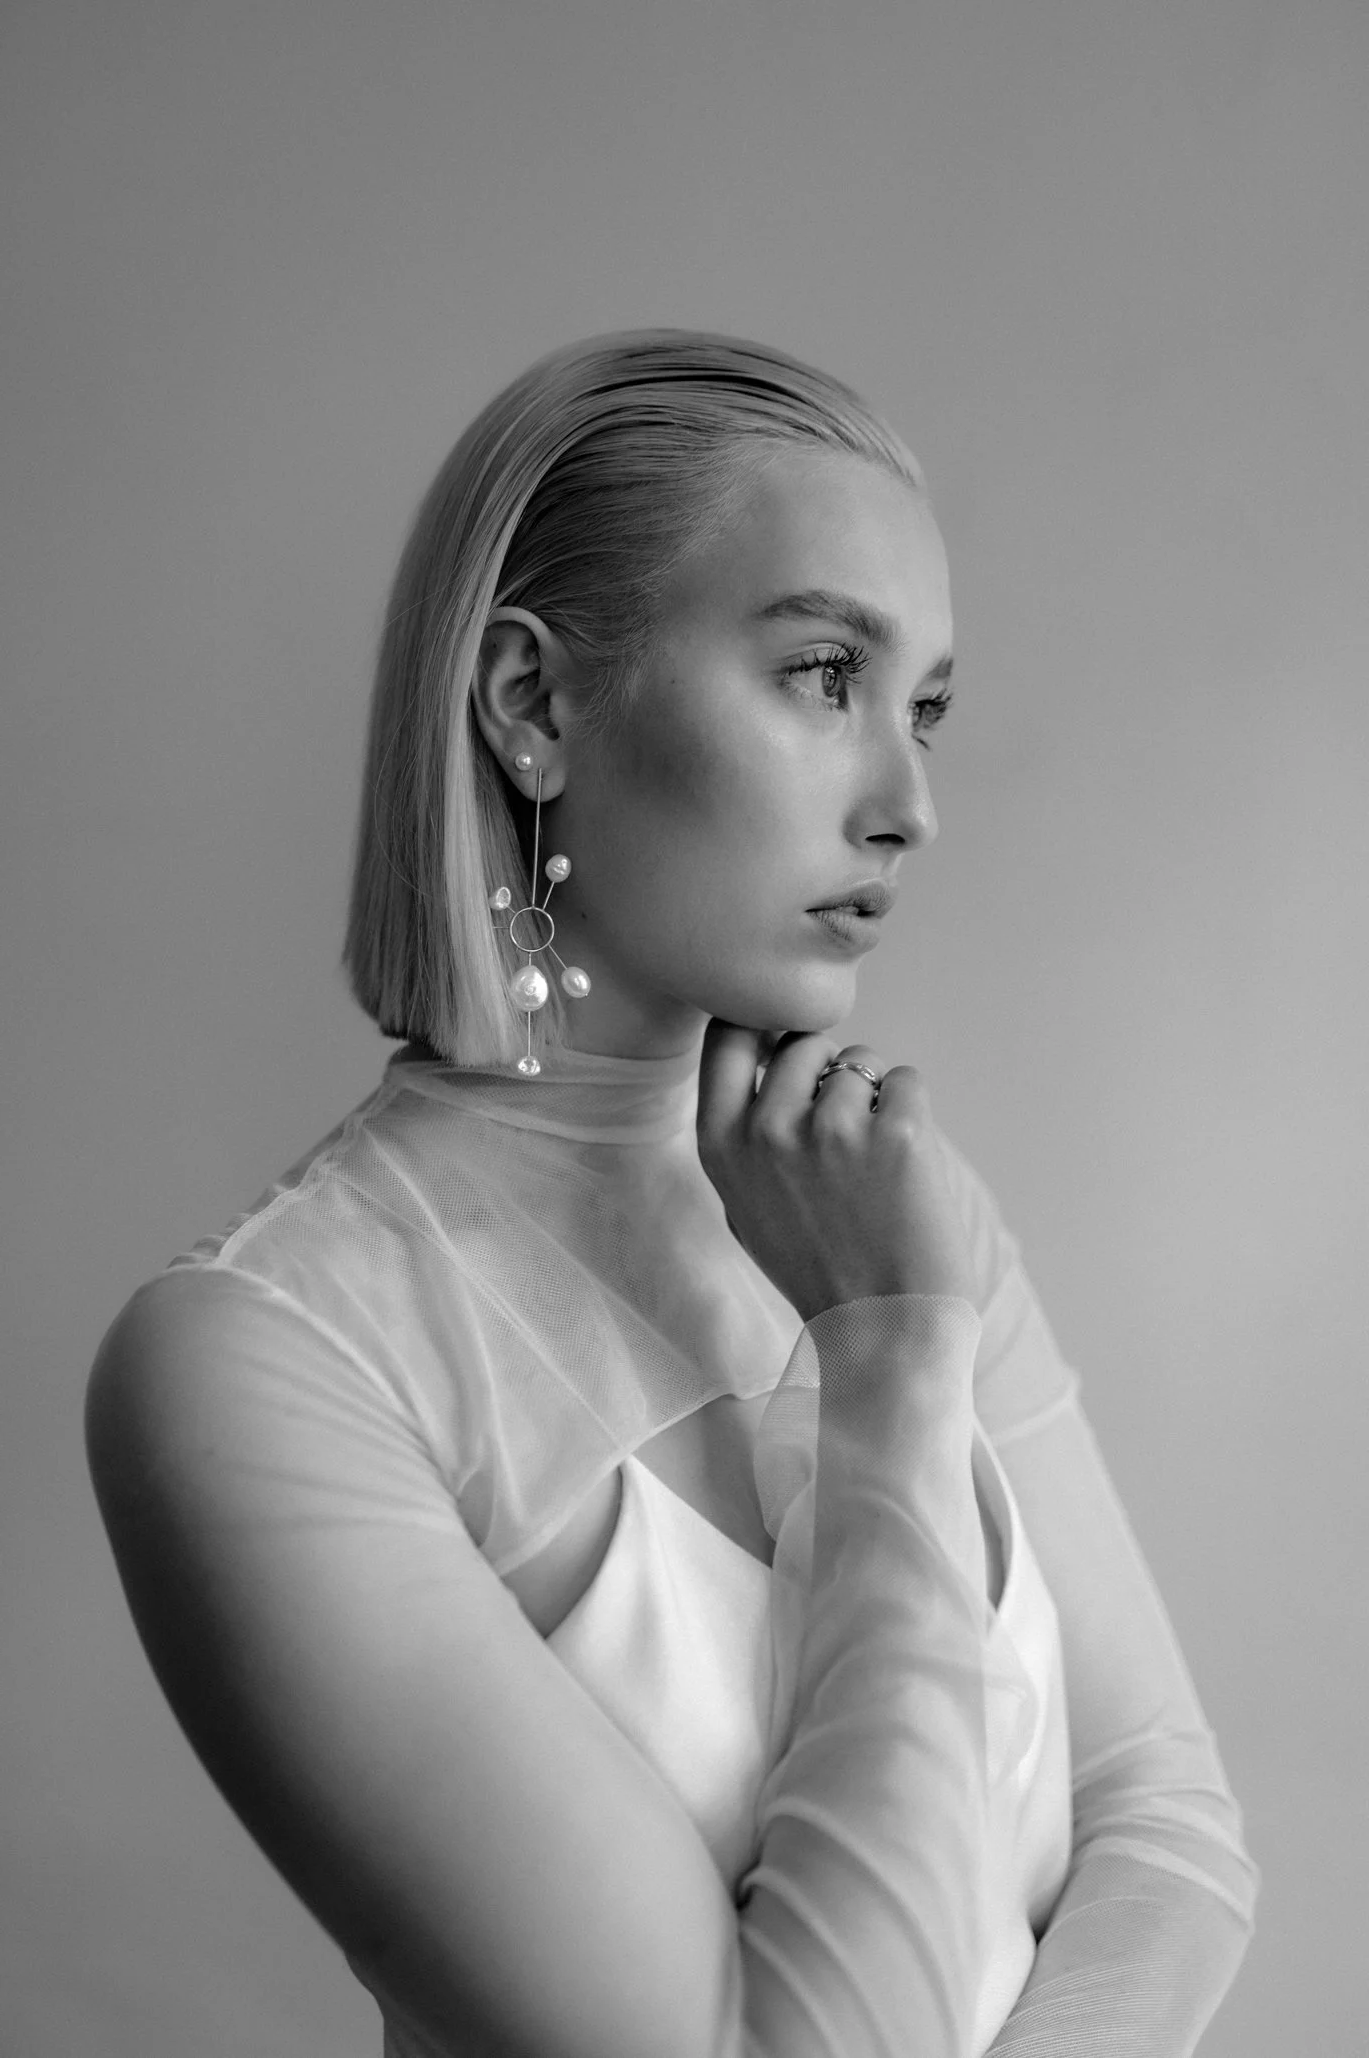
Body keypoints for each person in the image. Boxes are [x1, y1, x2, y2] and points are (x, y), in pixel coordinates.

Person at [84, 329, 1259, 2058]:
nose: (912, 804)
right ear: (532, 704)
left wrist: (902, 1311)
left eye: (926, 706)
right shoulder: (269, 1362)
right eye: (822, 674)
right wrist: (885, 1373)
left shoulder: (894, 1209)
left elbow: (1170, 1827)